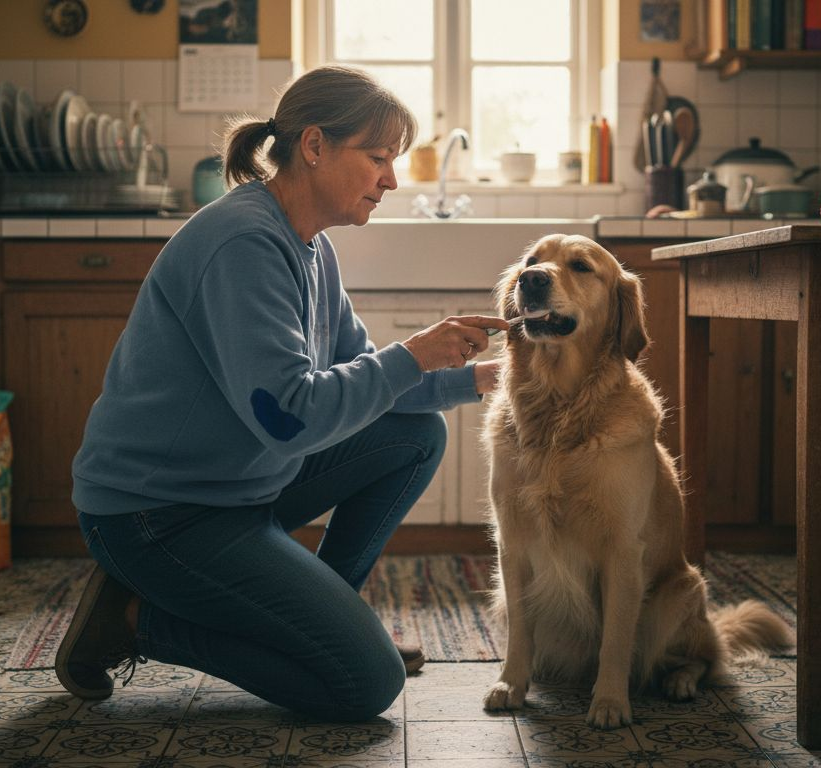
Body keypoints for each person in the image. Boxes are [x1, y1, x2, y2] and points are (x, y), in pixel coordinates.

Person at [57, 64, 510, 722]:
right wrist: (414, 354)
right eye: (378, 158)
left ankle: (325, 621)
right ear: (315, 145)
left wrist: (482, 380)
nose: (391, 180)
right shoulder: (243, 243)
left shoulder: (311, 245)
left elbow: (363, 373)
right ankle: (130, 621)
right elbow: (291, 419)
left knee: (416, 434)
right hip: (157, 515)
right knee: (365, 684)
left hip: (235, 486)